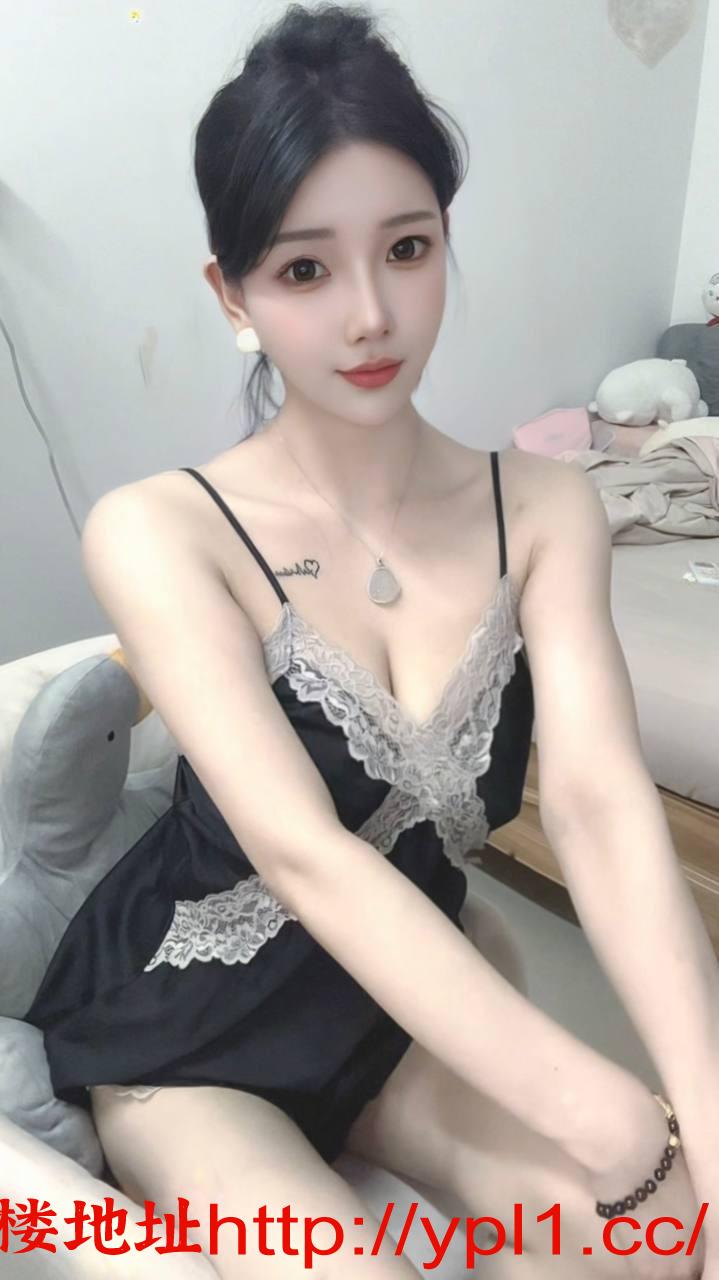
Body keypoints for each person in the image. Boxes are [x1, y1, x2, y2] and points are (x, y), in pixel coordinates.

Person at [25, 4, 715, 1278]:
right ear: (230, 293)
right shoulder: (161, 530)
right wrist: (600, 1107)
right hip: (192, 1028)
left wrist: (704, 1119)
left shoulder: (544, 507)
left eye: (405, 248)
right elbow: (303, 855)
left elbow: (600, 806)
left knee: (659, 1231)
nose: (369, 315)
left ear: (445, 238)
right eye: (304, 270)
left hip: (391, 1010)